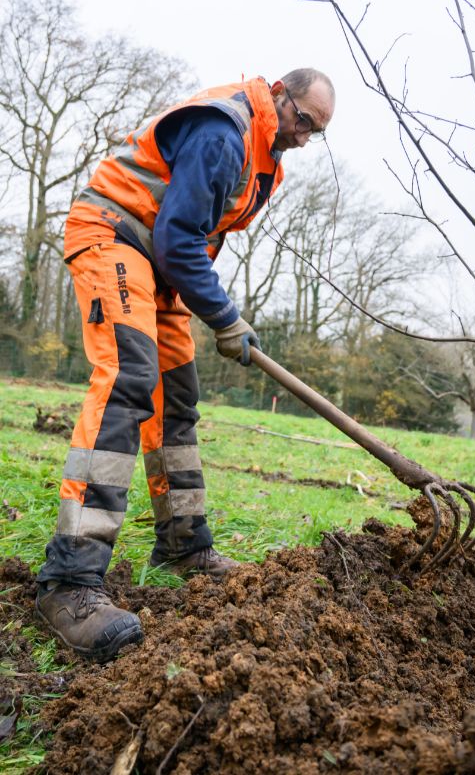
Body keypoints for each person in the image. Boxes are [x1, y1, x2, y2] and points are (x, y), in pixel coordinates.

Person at [36, 69, 336, 661]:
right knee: (128, 379)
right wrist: (226, 317)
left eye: (316, 132)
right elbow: (177, 236)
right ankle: (70, 580)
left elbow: (190, 239)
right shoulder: (225, 132)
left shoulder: (262, 156)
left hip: (160, 266)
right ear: (279, 93)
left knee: (177, 397)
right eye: (303, 120)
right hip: (114, 236)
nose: (304, 137)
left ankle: (184, 543)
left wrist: (214, 309)